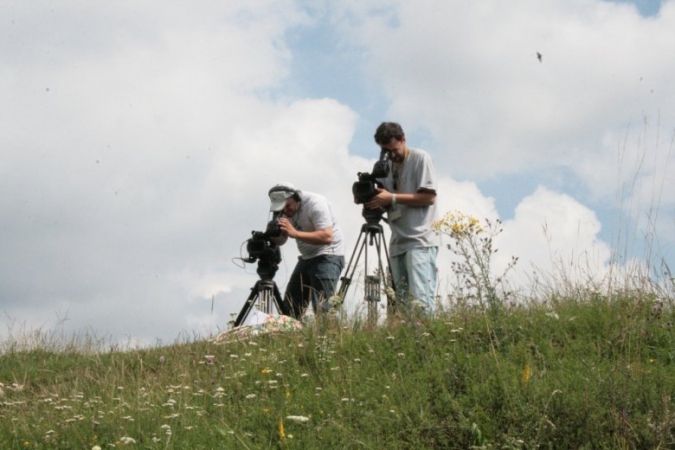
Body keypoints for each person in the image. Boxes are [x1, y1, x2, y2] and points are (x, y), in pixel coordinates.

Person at [364, 122, 440, 312]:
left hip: (420, 239)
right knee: (402, 303)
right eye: (386, 151)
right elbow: (383, 198)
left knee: (421, 299)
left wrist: (393, 197)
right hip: (397, 240)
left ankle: (426, 338)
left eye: (394, 149)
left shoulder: (420, 158)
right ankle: (408, 337)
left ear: (403, 139)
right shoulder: (385, 166)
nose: (392, 155)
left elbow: (429, 197)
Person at [268, 182, 345, 319]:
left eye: (287, 206)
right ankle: (293, 338)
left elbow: (327, 236)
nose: (286, 211)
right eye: (281, 208)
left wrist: (295, 233)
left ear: (296, 197)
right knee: (290, 308)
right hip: (306, 257)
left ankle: (329, 338)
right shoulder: (284, 211)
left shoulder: (316, 204)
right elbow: (282, 240)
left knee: (324, 308)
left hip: (328, 254)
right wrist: (273, 234)